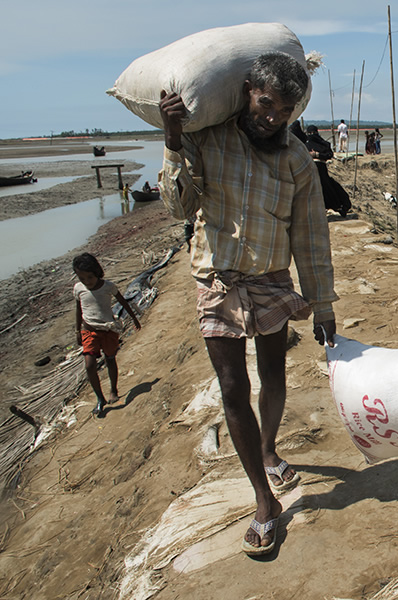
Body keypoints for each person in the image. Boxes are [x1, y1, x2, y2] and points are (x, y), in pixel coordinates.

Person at [158, 52, 339, 556]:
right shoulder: (206, 138)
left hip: (272, 280)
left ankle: (268, 447)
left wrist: (322, 305)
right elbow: (178, 207)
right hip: (217, 281)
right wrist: (173, 140)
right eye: (265, 104)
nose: (271, 117)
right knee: (233, 388)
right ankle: (265, 499)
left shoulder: (297, 159)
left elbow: (311, 236)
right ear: (246, 92)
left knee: (274, 376)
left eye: (283, 110)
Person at [73, 252, 142, 418]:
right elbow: (78, 309)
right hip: (88, 330)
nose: (87, 282)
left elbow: (123, 301)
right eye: (82, 278)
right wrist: (77, 331)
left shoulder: (107, 287)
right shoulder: (79, 289)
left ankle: (113, 389)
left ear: (97, 272)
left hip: (108, 330)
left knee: (110, 359)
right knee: (89, 365)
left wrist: (134, 318)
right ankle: (99, 398)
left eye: (90, 277)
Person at [290, 122, 352, 217]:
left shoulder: (305, 143)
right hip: (315, 169)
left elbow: (328, 155)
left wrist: (316, 155)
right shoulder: (317, 144)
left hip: (313, 170)